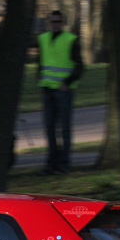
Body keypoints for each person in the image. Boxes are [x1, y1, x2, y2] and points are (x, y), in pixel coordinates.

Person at [37, 10, 84, 175]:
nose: (55, 24)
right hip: (47, 89)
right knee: (49, 128)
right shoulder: (43, 39)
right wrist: (40, 80)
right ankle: (51, 163)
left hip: (63, 91)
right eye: (52, 21)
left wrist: (67, 83)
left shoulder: (70, 39)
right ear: (49, 23)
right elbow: (41, 62)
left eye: (58, 21)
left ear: (62, 22)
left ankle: (64, 164)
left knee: (64, 128)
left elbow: (80, 65)